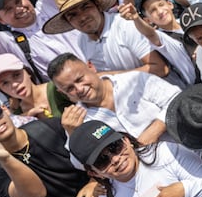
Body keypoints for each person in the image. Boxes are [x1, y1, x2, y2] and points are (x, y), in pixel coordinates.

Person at [42, 0, 173, 78]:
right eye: (73, 15)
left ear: (98, 5)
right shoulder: (82, 41)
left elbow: (160, 68)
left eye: (85, 7)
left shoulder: (126, 26)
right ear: (68, 22)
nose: (82, 17)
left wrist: (109, 76)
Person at [47, 53, 178, 145]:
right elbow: (80, 164)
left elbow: (176, 99)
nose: (79, 89)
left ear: (91, 67)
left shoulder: (134, 80)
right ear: (62, 92)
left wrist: (152, 133)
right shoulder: (77, 121)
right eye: (70, 88)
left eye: (80, 79)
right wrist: (74, 135)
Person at [0, 53, 72, 118]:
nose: (14, 84)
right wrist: (26, 118)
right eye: (5, 83)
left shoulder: (57, 88)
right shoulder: (18, 115)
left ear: (28, 72)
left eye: (16, 75)